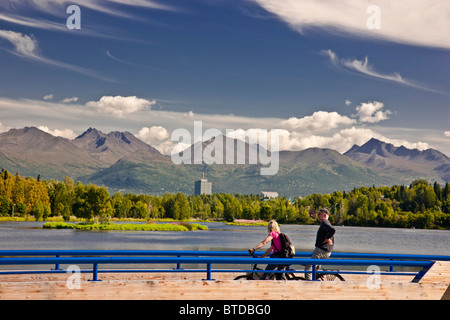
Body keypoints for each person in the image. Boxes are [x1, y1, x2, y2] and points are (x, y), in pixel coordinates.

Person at [304, 208, 336, 280]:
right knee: (314, 269)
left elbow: (333, 230)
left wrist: (327, 238)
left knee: (308, 268)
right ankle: (316, 281)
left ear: (324, 215)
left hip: (321, 251)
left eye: (319, 214)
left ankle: (309, 285)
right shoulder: (325, 223)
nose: (317, 215)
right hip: (325, 251)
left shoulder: (325, 222)